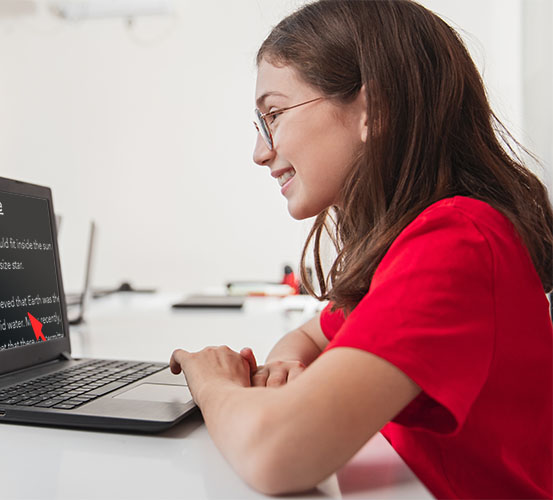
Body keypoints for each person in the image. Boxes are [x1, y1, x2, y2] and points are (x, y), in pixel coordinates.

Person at [169, 1, 553, 497]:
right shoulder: (415, 241)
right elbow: (314, 333)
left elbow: (274, 455)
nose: (260, 152)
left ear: (376, 110)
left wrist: (213, 382)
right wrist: (290, 365)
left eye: (275, 115)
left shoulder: (457, 242)